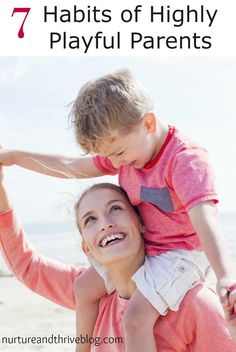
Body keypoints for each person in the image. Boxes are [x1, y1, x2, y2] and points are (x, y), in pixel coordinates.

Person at [0, 69, 236, 351]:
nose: (114, 163)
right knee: (84, 289)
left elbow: (205, 218)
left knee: (135, 319)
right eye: (110, 156)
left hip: (179, 257)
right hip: (150, 252)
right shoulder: (129, 151)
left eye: (119, 154)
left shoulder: (184, 160)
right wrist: (13, 157)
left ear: (148, 123)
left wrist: (225, 275)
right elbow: (71, 167)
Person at [0, 165, 236, 351]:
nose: (105, 223)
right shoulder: (93, 296)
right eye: (90, 220)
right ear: (87, 249)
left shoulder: (195, 303)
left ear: (143, 223)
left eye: (115, 208)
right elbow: (26, 264)